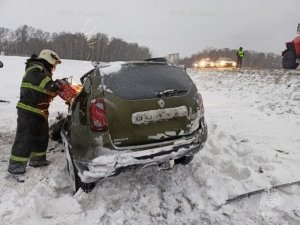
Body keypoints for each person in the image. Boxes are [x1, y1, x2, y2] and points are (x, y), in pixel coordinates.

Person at [8, 49, 65, 174]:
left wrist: (59, 86)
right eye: (54, 64)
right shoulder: (34, 69)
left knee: (41, 137)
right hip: (28, 110)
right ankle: (16, 165)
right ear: (49, 59)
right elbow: (44, 86)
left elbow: (49, 91)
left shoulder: (43, 71)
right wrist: (56, 85)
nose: (54, 67)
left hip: (40, 111)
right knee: (24, 138)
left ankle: (38, 159)